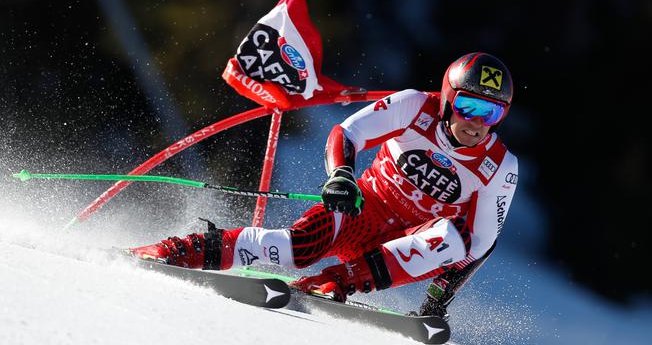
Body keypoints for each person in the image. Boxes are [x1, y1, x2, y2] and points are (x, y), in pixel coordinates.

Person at [129, 52, 519, 318]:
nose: (477, 123)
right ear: (450, 99)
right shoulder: (414, 105)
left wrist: (439, 298)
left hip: (403, 247)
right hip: (361, 209)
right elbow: (347, 133)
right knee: (291, 249)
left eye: (492, 112)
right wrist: (342, 175)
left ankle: (336, 282)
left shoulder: (500, 166)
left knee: (454, 237)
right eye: (470, 106)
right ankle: (178, 250)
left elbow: (481, 243)